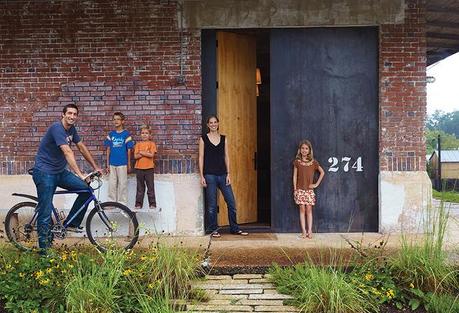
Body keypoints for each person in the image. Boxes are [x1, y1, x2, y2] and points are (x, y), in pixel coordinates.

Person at [32, 103, 102, 252]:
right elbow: (67, 152)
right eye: (69, 113)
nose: (72, 116)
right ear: (63, 115)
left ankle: (70, 224)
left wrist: (95, 167)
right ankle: (45, 253)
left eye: (74, 114)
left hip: (59, 172)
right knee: (45, 213)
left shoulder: (71, 129)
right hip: (45, 172)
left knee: (86, 191)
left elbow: (81, 147)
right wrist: (80, 174)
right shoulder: (57, 128)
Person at [198, 116, 248, 238]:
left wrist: (229, 174)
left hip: (223, 175)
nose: (213, 124)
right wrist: (201, 176)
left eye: (215, 122)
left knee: (231, 202)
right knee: (212, 205)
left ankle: (234, 229)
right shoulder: (203, 139)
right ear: (208, 125)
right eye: (211, 123)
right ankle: (213, 230)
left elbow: (227, 156)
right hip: (209, 175)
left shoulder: (224, 138)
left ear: (218, 124)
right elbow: (201, 157)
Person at [292, 140, 325, 239]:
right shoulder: (297, 162)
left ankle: (310, 231)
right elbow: (294, 176)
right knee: (302, 209)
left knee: (309, 210)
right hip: (300, 189)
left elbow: (322, 172)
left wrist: (316, 184)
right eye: (302, 148)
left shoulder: (313, 162)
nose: (304, 150)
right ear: (300, 150)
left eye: (306, 148)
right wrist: (295, 189)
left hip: (309, 190)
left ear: (309, 150)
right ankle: (303, 231)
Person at [104, 112, 134, 206]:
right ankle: (111, 203)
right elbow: (108, 149)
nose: (116, 121)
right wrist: (107, 164)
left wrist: (129, 164)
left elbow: (129, 150)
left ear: (122, 121)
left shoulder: (126, 134)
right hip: (112, 163)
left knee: (122, 184)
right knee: (112, 184)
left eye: (118, 119)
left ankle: (122, 204)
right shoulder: (111, 134)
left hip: (122, 163)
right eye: (114, 119)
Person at [133, 125, 158, 211]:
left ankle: (152, 204)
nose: (144, 135)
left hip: (149, 168)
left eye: (146, 133)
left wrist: (141, 152)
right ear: (140, 134)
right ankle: (138, 204)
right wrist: (145, 153)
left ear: (150, 135)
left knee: (150, 187)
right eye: (142, 133)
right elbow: (135, 156)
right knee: (140, 188)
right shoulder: (138, 144)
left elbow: (151, 155)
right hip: (139, 168)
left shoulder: (152, 144)